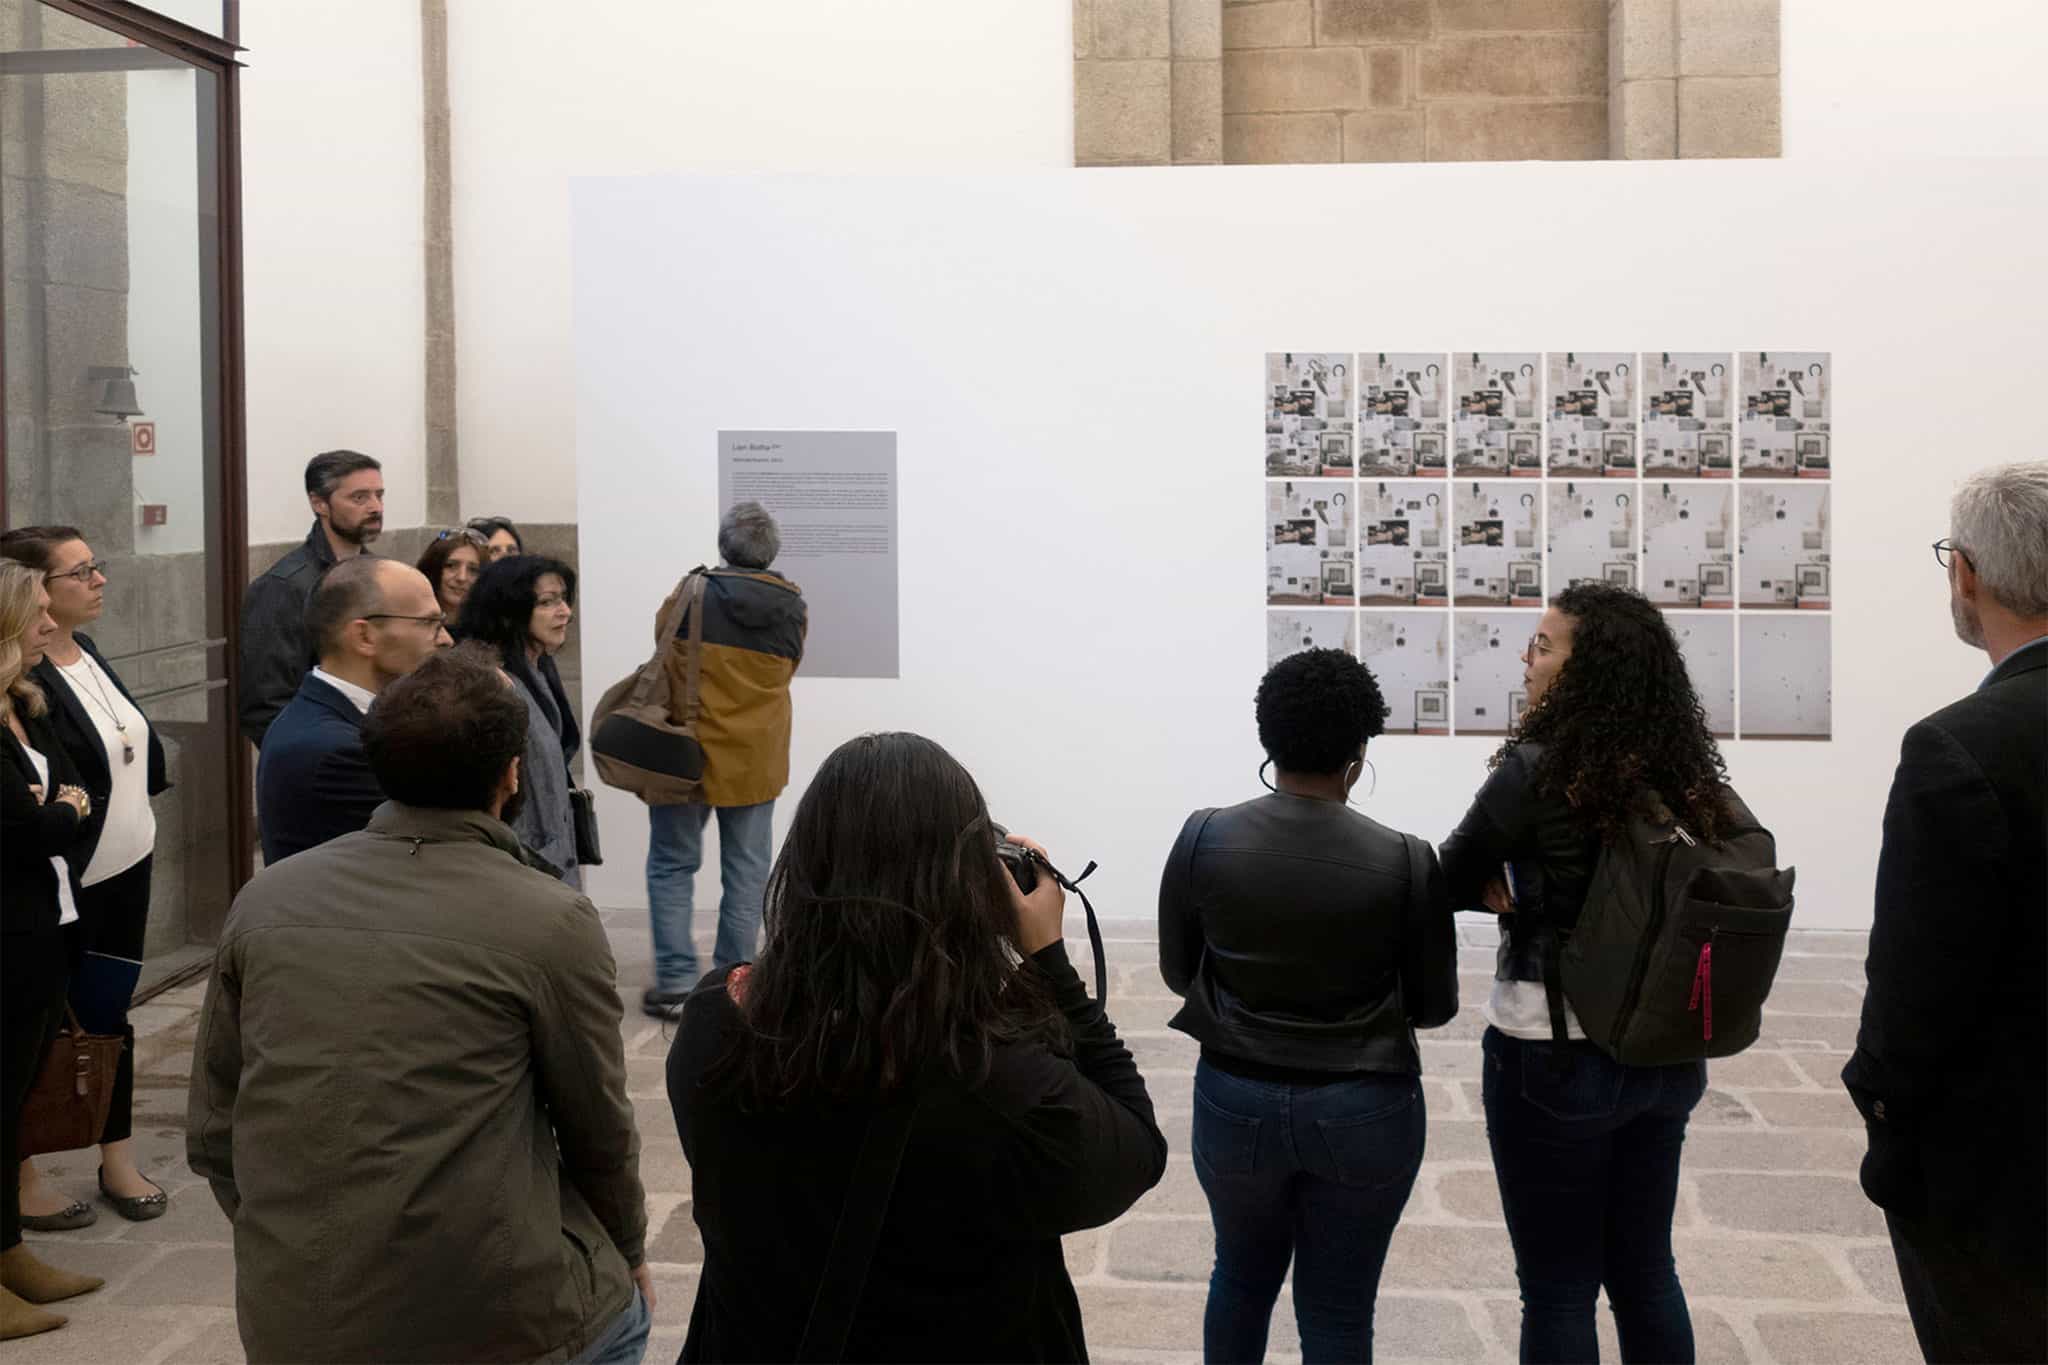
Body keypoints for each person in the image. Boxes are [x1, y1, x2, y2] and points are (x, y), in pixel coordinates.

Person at [188, 644, 651, 1364]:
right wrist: (628, 1251)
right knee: (623, 1312)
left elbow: (215, 1128)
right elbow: (598, 1130)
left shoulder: (267, 898)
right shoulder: (549, 918)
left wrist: (303, 1246)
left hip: (296, 1315)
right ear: (512, 773)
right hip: (498, 1319)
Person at [667, 731, 1166, 1361]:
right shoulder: (997, 1086)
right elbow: (1137, 1149)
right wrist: (1047, 962)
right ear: (965, 884)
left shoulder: (714, 1021)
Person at [1440, 582, 1730, 1364]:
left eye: (1543, 644)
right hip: (1666, 1048)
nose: (1527, 659)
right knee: (1646, 1271)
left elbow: (1445, 872)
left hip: (1553, 1051)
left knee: (1559, 1287)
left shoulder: (1534, 771)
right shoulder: (1686, 775)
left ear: (1583, 667)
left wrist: (1484, 886)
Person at [1159, 647, 1457, 1363]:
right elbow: (1433, 1004)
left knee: (1238, 1277)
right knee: (1338, 1312)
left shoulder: (1204, 835)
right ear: (1358, 753)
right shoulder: (1407, 859)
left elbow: (1178, 971)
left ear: (1270, 736)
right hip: (1363, 1109)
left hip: (1235, 1101)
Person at [1843, 462, 2048, 1363]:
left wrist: (1884, 1118)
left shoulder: (1957, 748)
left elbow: (1913, 993)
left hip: (2003, 1187)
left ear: (1965, 572)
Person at [1, 528, 172, 1229]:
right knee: (43, 1029)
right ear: (34, 590)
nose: (99, 579)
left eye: (96, 566)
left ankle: (117, 1155)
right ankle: (25, 1174)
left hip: (129, 862)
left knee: (109, 1018)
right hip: (77, 876)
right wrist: (69, 811)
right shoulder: (27, 672)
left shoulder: (86, 650)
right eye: (80, 571)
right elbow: (49, 801)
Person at [642, 502, 806, 1020]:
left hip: (684, 751)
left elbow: (661, 643)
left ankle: (674, 981)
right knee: (747, 872)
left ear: (724, 545)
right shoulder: (793, 606)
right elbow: (791, 665)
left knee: (671, 864)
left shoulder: (692, 592)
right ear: (772, 550)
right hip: (754, 756)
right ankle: (733, 981)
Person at [0, 562, 105, 1341]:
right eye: (37, 612)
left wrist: (56, 814)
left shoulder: (24, 704)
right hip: (5, 933)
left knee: (10, 1106)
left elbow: (75, 791)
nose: (49, 624)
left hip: (42, 926)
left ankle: (8, 1253)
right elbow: (30, 829)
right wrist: (55, 817)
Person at [255, 558, 452, 863]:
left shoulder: (342, 718)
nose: (445, 639)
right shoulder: (337, 750)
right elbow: (441, 853)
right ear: (365, 637)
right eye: (429, 623)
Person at [238, 450, 384, 747]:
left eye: (379, 495)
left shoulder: (381, 576)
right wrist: (308, 759)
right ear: (319, 503)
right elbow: (266, 705)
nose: (375, 507)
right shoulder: (282, 587)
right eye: (359, 498)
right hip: (321, 758)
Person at [458, 554, 583, 886]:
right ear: (510, 610)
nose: (565, 612)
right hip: (518, 862)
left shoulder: (538, 666)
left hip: (550, 854)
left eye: (563, 600)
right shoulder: (489, 681)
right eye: (547, 602)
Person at [414, 525, 490, 622]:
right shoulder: (408, 624)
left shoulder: (492, 630)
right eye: (451, 566)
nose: (462, 577)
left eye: (473, 570)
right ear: (432, 567)